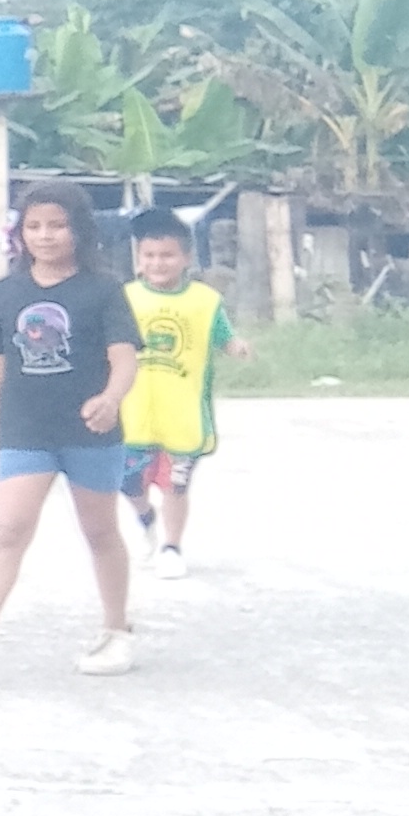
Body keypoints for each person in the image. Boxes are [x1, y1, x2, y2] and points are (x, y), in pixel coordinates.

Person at [0, 182, 143, 681]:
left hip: (89, 430)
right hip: (25, 431)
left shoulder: (104, 291)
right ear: (20, 233)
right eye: (34, 226)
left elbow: (124, 359)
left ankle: (117, 631)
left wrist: (111, 399)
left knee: (100, 531)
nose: (45, 236)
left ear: (79, 230)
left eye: (57, 225)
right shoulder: (7, 293)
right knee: (8, 530)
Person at [118, 208, 251, 581]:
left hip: (183, 415)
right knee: (129, 483)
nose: (158, 263)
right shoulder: (124, 298)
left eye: (167, 255)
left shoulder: (205, 301)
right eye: (149, 255)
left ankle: (172, 547)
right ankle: (146, 518)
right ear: (138, 259)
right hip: (132, 413)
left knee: (176, 485)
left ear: (187, 258)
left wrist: (237, 347)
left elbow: (223, 336)